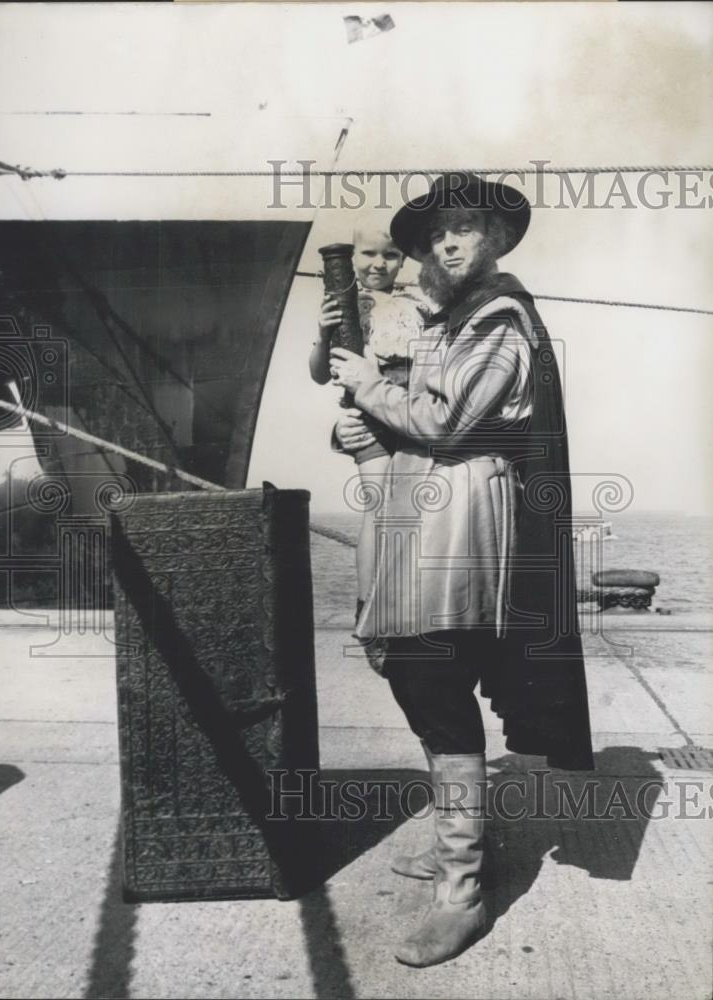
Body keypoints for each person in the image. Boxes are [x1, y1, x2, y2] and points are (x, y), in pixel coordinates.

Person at [330, 172, 594, 968]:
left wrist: (367, 386)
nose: (446, 242)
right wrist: (370, 428)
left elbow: (445, 423)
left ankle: (462, 891)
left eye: (466, 226)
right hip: (419, 501)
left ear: (497, 239)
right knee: (413, 672)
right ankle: (458, 848)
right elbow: (412, 417)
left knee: (433, 671)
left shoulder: (498, 319)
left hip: (464, 505)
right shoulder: (446, 321)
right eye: (438, 231)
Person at [309, 221, 431, 622]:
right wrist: (324, 334)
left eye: (390, 255)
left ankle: (407, 602)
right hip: (368, 417)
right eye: (368, 254)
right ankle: (368, 605)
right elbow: (320, 373)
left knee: (414, 509)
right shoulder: (347, 305)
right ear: (353, 258)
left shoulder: (417, 304)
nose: (379, 263)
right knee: (378, 508)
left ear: (403, 261)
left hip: (406, 408)